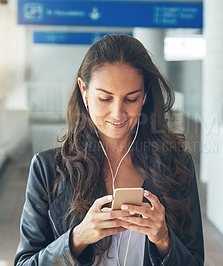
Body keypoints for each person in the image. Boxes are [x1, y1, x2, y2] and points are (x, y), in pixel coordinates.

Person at [14, 34, 204, 265]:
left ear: (145, 96)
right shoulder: (47, 169)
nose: (117, 113)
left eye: (131, 99)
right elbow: (25, 262)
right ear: (84, 90)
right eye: (105, 98)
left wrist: (164, 239)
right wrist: (77, 238)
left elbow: (194, 260)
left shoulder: (176, 165)